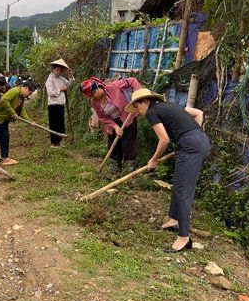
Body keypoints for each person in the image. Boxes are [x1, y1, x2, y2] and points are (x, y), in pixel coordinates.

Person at [128, 88, 210, 252]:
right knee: (178, 184)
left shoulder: (152, 112)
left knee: (183, 191)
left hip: (191, 146)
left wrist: (154, 159)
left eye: (137, 107)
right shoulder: (169, 106)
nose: (137, 111)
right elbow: (198, 114)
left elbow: (164, 140)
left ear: (145, 102)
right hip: (196, 141)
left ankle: (184, 237)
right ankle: (173, 220)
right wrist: (192, 133)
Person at [80, 76, 141, 174]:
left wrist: (139, 96)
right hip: (112, 124)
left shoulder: (114, 87)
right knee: (114, 147)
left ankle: (130, 174)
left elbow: (132, 81)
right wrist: (115, 126)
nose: (94, 97)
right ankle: (115, 172)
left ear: (99, 87)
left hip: (127, 119)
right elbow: (102, 117)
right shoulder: (94, 102)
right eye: (91, 96)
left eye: (94, 93)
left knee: (128, 146)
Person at [0, 81, 35, 167]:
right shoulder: (15, 91)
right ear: (26, 88)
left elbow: (22, 110)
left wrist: (29, 121)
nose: (29, 95)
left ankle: (5, 159)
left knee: (5, 139)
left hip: (4, 120)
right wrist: (12, 112)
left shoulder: (21, 97)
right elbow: (4, 100)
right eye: (29, 93)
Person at [45, 59, 74, 147]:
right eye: (57, 70)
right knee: (54, 124)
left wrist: (71, 76)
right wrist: (60, 89)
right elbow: (50, 93)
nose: (58, 72)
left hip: (61, 104)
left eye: (60, 70)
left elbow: (69, 84)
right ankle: (54, 143)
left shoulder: (61, 79)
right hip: (53, 105)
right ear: (53, 69)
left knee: (61, 124)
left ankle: (61, 141)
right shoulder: (49, 80)